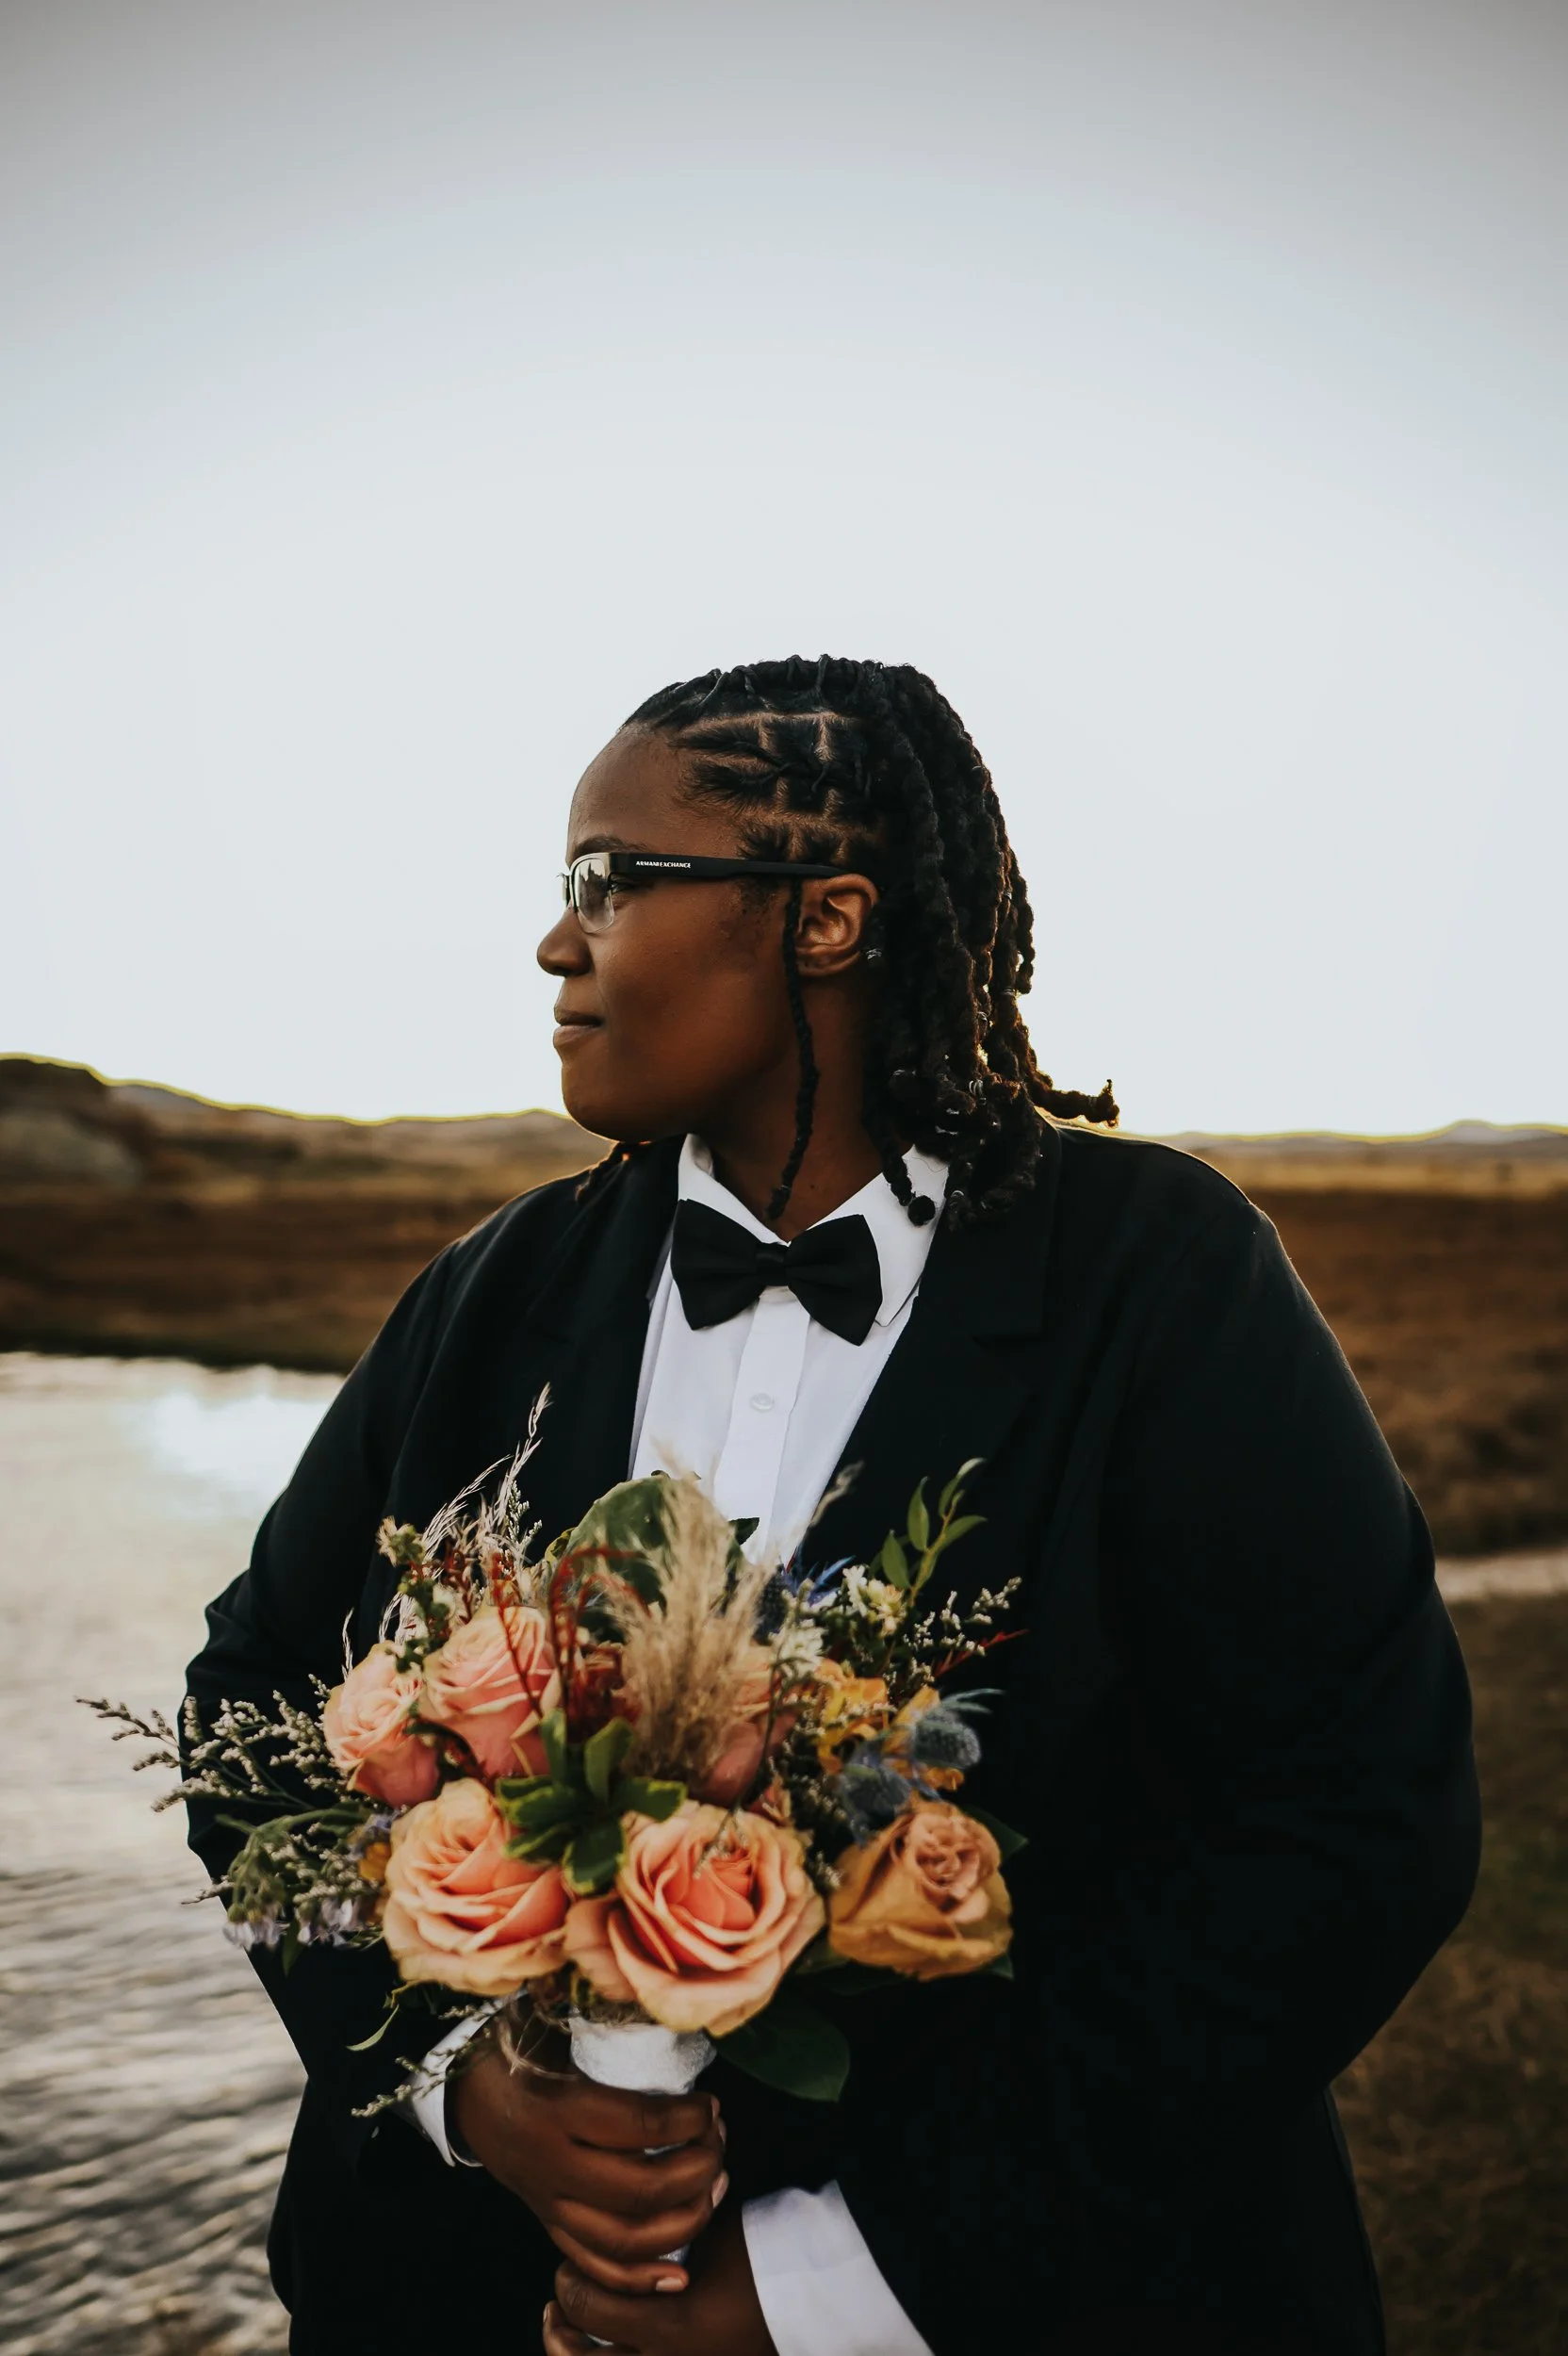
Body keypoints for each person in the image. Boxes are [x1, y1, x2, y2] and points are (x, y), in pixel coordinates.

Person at [186, 655, 1479, 2356]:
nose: (555, 943)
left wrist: (826, 2285)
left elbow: (1350, 1825)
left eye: (607, 881)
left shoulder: (1162, 1281)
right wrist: (454, 2090)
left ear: (828, 919)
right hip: (465, 2301)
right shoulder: (489, 1294)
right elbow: (255, 1701)